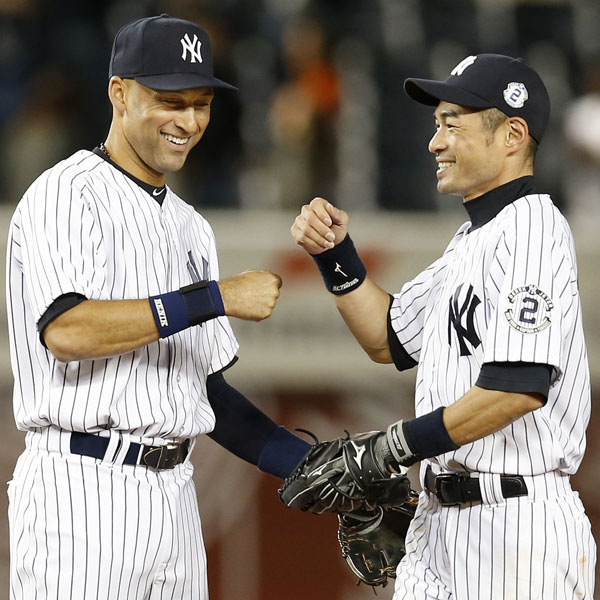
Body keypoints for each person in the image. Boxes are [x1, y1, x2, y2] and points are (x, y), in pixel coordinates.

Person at [6, 15, 312, 600]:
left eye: (201, 105)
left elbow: (207, 392)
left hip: (175, 496)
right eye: (170, 101)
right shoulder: (67, 193)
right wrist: (214, 297)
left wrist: (304, 462)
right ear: (119, 93)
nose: (188, 122)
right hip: (81, 491)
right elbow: (68, 330)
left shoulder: (192, 227)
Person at [291, 53, 596, 599]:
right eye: (437, 125)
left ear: (512, 135)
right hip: (440, 523)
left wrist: (391, 447)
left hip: (516, 530)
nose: (435, 143)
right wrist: (336, 256)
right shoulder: (472, 241)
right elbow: (387, 338)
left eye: (452, 124)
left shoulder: (532, 229)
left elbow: (516, 388)